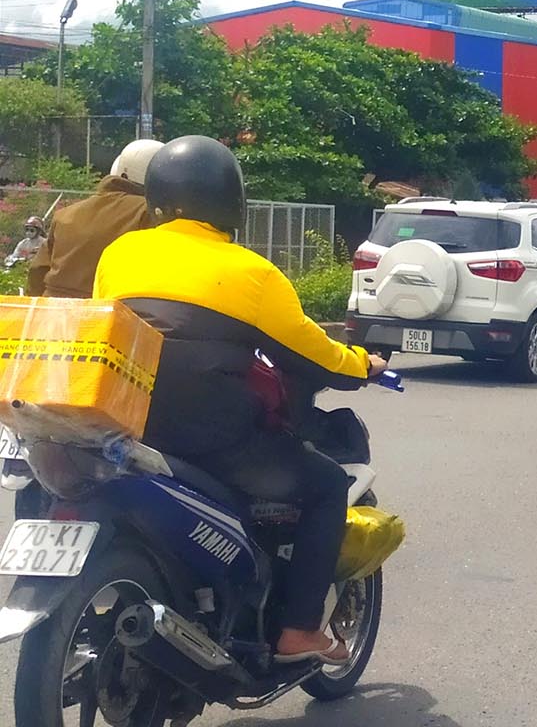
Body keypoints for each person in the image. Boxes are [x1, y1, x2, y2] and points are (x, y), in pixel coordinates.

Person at [93, 135, 387, 666]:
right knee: (325, 486)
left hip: (127, 426)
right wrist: (363, 363)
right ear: (233, 202)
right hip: (212, 443)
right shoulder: (252, 274)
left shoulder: (119, 254)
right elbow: (314, 353)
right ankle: (299, 629)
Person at [27, 139, 160, 298]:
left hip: (54, 312)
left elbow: (37, 271)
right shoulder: (152, 213)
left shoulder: (65, 214)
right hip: (110, 314)